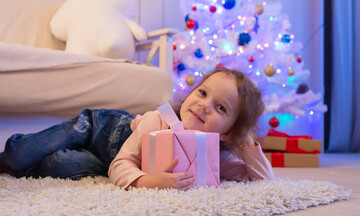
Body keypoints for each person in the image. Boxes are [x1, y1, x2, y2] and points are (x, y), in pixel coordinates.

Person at [0, 67, 275, 189]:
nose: (205, 105)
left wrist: (243, 141)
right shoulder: (159, 119)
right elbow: (124, 162)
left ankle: (24, 170)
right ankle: (11, 158)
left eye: (221, 108)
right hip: (99, 128)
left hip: (103, 162)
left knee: (68, 166)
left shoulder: (215, 156)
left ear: (226, 132)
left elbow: (262, 182)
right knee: (21, 153)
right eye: (202, 93)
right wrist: (147, 182)